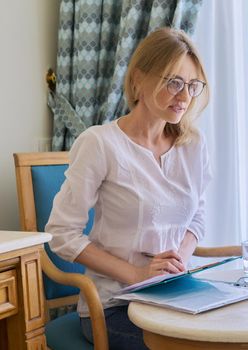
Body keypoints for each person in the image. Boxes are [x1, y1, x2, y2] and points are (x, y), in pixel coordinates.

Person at [46, 27, 211, 349]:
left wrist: (177, 260)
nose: (184, 96)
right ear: (138, 80)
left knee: (235, 336)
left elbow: (198, 218)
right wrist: (136, 274)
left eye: (192, 85)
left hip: (175, 295)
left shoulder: (193, 144)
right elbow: (61, 234)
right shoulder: (100, 143)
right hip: (115, 306)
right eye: (173, 82)